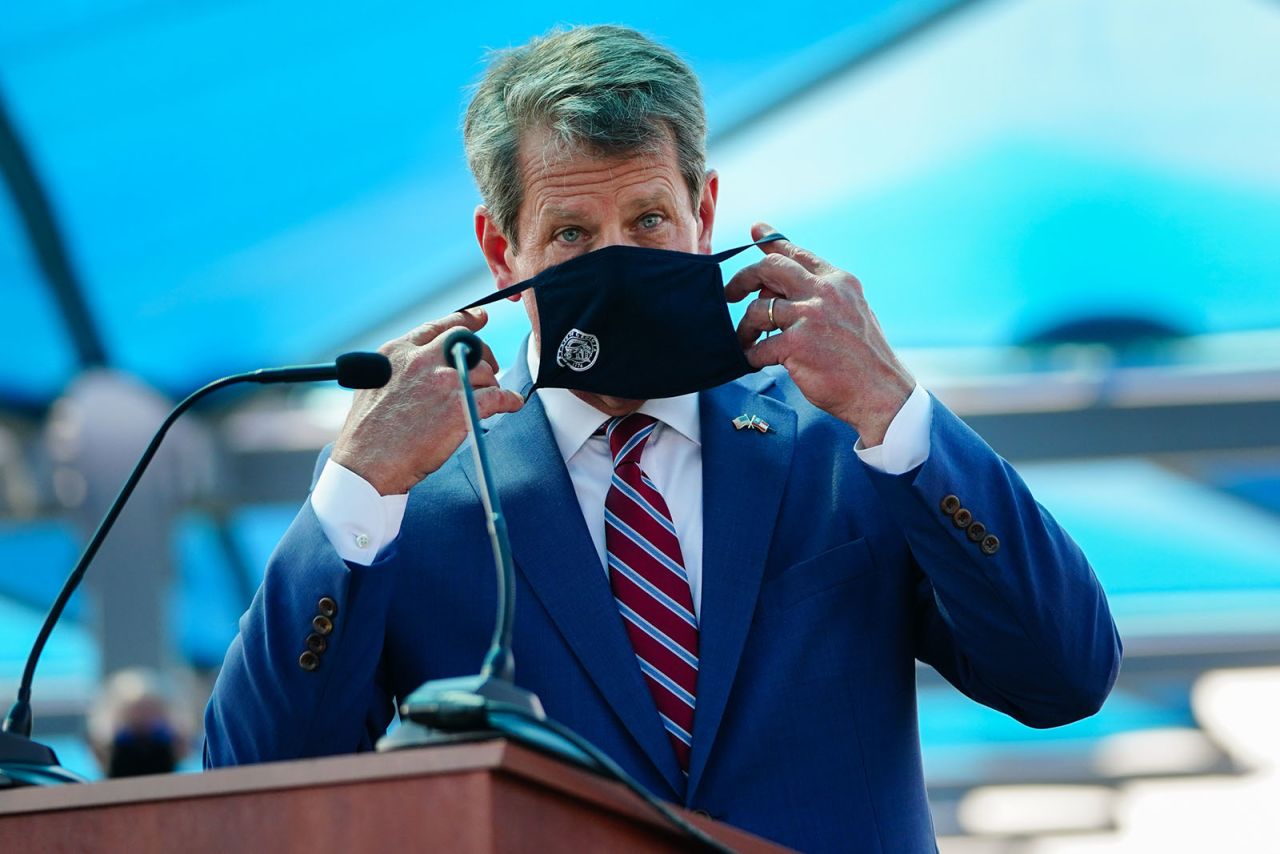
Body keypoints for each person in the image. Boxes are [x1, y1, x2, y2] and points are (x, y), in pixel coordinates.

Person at [204, 25, 1121, 851]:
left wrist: (898, 410)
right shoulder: (419, 496)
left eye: (649, 219)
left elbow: (1064, 675)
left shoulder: (845, 442)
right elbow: (253, 795)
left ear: (705, 213)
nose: (622, 259)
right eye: (571, 232)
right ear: (499, 252)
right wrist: (357, 486)